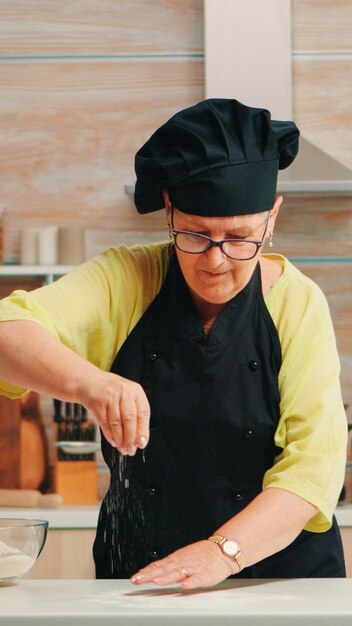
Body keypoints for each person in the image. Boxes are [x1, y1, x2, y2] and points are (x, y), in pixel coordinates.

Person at [0, 99, 347, 587]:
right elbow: (6, 331)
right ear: (169, 211)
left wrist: (222, 553)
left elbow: (314, 469)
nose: (216, 260)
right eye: (196, 235)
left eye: (239, 237)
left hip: (282, 579)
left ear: (272, 217)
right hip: (146, 576)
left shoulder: (298, 303)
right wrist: (89, 383)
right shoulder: (127, 278)